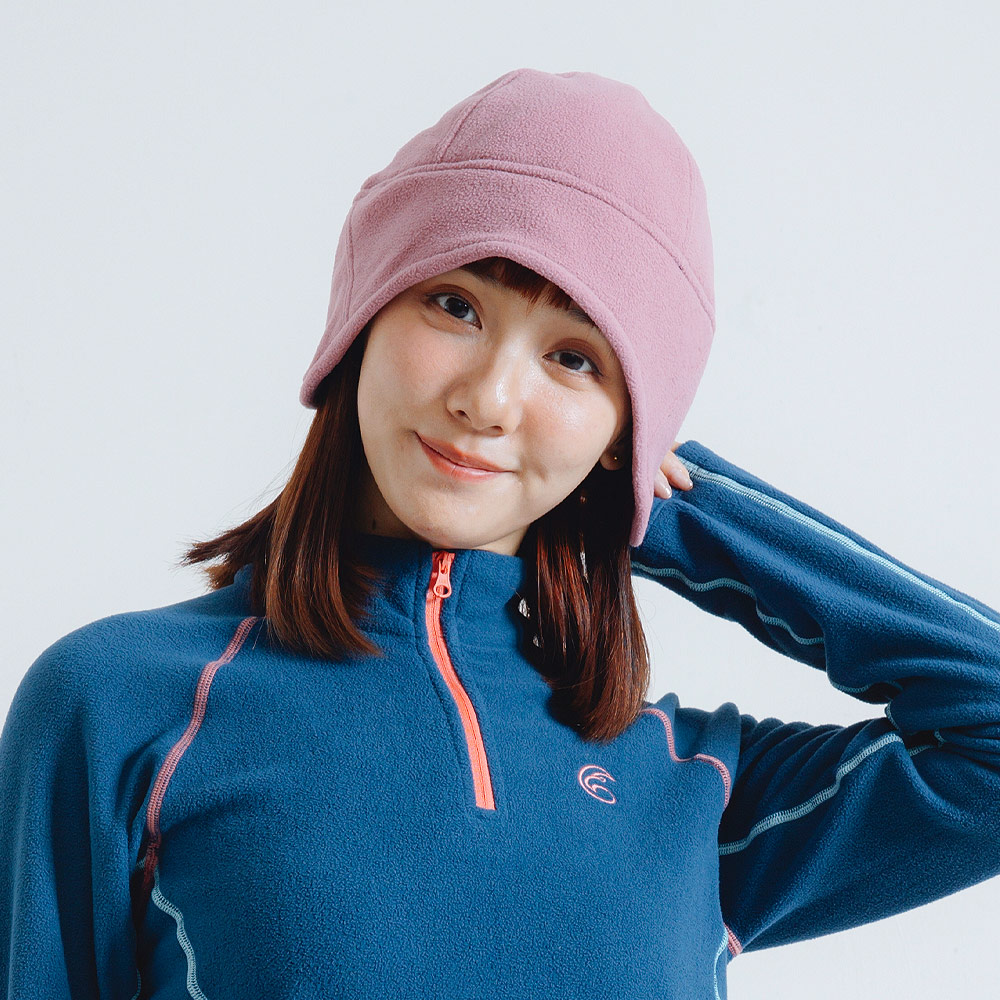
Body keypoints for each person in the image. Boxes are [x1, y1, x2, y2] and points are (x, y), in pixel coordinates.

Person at [2, 67, 999, 1000]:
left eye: (575, 359)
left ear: (625, 433)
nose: (488, 400)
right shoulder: (122, 704)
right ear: (361, 317)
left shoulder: (684, 781)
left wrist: (685, 512)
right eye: (455, 305)